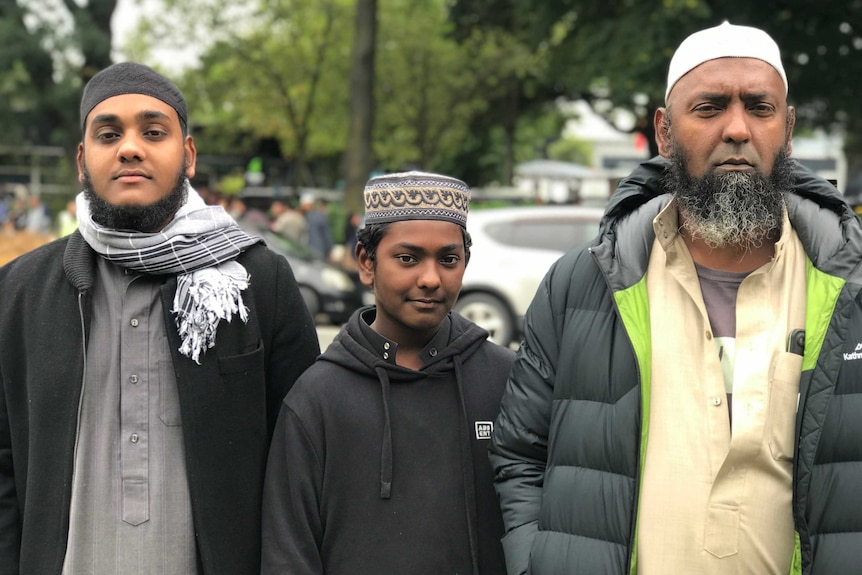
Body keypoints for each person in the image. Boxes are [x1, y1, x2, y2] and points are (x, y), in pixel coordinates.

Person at [489, 21, 862, 575]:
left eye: (759, 108)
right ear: (664, 132)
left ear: (787, 130)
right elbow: (521, 455)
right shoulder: (582, 285)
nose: (737, 128)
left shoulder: (850, 290)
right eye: (709, 108)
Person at [0, 62, 321, 575]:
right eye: (108, 134)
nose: (130, 147)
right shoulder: (18, 293)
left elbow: (304, 462)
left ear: (187, 155)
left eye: (153, 132)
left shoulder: (257, 279)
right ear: (83, 161)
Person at [261, 171, 513, 574]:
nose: (430, 279)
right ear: (366, 262)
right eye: (408, 258)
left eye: (448, 259)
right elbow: (288, 551)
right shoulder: (318, 397)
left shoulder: (506, 381)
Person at [301, 193, 334, 260]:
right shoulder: (314, 216)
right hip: (315, 251)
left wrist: (329, 251)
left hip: (316, 252)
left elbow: (327, 236)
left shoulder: (315, 217)